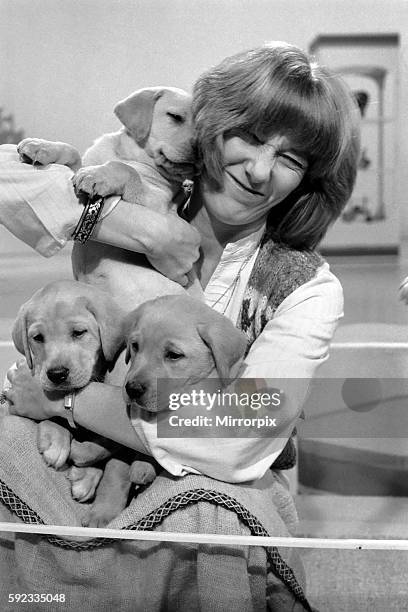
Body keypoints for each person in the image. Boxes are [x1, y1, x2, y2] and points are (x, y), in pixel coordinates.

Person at [1, 41, 360, 610]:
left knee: (207, 508)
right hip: (94, 442)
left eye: (290, 160)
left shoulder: (306, 287)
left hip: (212, 475)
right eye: (250, 137)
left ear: (307, 181)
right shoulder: (146, 189)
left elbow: (241, 430)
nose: (261, 170)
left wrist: (66, 405)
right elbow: (7, 175)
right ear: (211, 126)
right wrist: (142, 229)